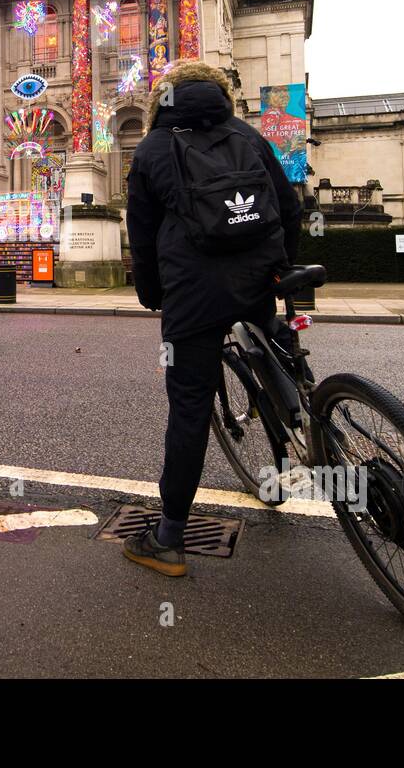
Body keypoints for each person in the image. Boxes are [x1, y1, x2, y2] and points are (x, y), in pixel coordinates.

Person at [124, 60, 302, 577]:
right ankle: (303, 411)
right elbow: (288, 208)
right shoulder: (247, 135)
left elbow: (144, 240)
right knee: (275, 342)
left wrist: (154, 296)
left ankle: (169, 536)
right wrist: (279, 269)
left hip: (193, 295)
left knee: (190, 409)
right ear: (221, 93)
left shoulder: (152, 149)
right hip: (259, 280)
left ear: (165, 98)